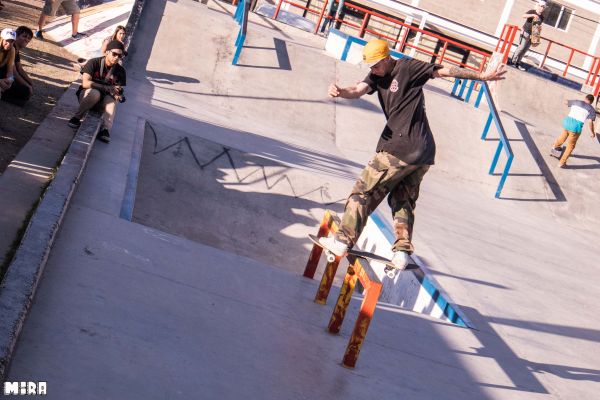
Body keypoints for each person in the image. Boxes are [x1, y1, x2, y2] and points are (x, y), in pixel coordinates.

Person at [319, 39, 506, 269]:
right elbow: (357, 90)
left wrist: (482, 77)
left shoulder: (406, 67)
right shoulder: (376, 75)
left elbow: (442, 70)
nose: (374, 70)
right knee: (402, 200)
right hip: (423, 154)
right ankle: (402, 253)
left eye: (377, 65)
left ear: (388, 58)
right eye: (371, 67)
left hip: (399, 148)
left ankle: (342, 241)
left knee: (362, 191)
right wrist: (340, 92)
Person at [68, 40, 126, 144]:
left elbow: (119, 89)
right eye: (114, 54)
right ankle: (77, 117)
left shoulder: (120, 71)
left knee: (112, 102)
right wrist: (105, 87)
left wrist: (117, 94)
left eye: (119, 56)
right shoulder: (94, 62)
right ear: (107, 52)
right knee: (95, 93)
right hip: (87, 96)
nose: (117, 57)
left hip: (104, 101)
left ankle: (105, 129)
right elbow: (85, 83)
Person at [550, 94, 596, 168]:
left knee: (562, 137)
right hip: (575, 128)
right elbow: (590, 122)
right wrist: (592, 133)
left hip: (567, 123)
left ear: (585, 98)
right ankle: (562, 163)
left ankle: (554, 150)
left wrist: (572, 102)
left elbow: (565, 102)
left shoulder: (576, 101)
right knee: (570, 146)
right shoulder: (591, 109)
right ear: (592, 102)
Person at [1, 26, 34, 106]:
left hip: (3, 76)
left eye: (29, 38)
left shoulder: (13, 49)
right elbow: (15, 72)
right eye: (24, 36)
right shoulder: (12, 48)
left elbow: (16, 70)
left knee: (25, 91)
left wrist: (30, 83)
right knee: (25, 91)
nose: (27, 39)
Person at [511, 0, 546, 70]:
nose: (542, 8)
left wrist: (536, 37)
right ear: (538, 6)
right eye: (541, 6)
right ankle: (513, 62)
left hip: (532, 34)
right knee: (521, 47)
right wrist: (533, 15)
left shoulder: (542, 17)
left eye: (544, 7)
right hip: (525, 32)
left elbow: (537, 26)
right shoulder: (532, 11)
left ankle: (517, 63)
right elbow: (523, 15)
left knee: (525, 50)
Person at [0, 28, 16, 97]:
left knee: (24, 91)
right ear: (1, 39)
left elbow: (10, 70)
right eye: (7, 40)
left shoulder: (12, 49)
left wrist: (10, 80)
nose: (9, 44)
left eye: (11, 41)